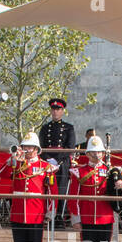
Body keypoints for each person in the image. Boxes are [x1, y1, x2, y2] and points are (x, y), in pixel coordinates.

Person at [69, 135, 122, 242]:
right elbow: (73, 197)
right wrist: (76, 218)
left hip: (105, 218)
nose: (96, 155)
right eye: (93, 153)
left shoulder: (111, 171)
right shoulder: (79, 171)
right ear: (87, 154)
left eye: (99, 152)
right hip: (87, 219)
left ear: (103, 153)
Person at [0, 133, 55, 242]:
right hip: (18, 214)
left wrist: (50, 212)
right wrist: (12, 160)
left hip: (36, 214)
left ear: (37, 149)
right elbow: (1, 174)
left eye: (30, 147)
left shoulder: (45, 167)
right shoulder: (16, 164)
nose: (27, 150)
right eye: (25, 147)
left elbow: (51, 191)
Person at [38, 97, 76, 227]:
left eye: (58, 109)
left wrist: (57, 160)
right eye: (53, 109)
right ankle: (47, 215)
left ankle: (59, 216)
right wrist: (48, 159)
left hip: (62, 162)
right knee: (47, 188)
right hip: (47, 161)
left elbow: (70, 147)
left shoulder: (68, 128)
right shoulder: (44, 128)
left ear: (62, 111)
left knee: (61, 189)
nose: (55, 112)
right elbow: (40, 147)